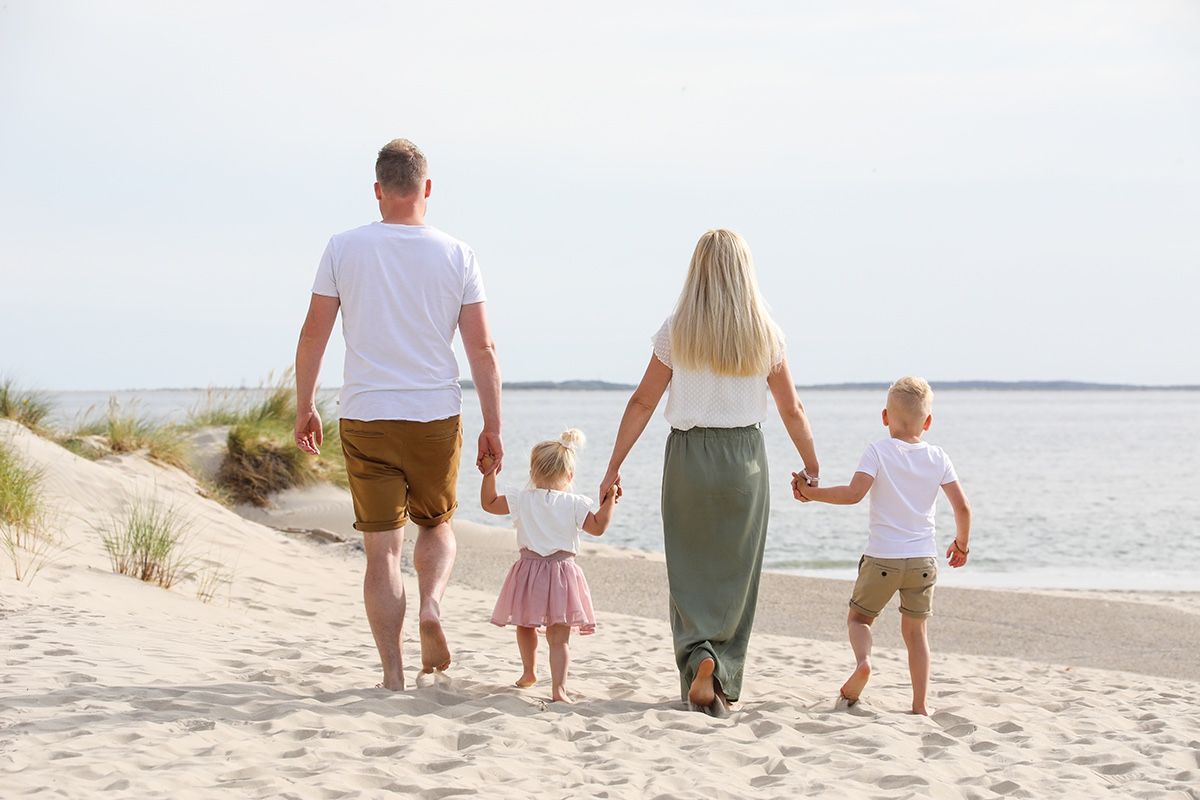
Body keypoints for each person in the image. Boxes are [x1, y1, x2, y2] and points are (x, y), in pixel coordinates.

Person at [293, 138, 503, 691]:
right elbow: (482, 349)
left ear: (378, 190)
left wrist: (305, 405)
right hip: (434, 413)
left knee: (382, 549)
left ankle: (392, 675)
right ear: (426, 189)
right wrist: (493, 425)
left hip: (366, 415)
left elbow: (314, 334)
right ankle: (431, 603)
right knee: (436, 524)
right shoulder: (459, 254)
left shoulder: (343, 247)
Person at [600, 229, 820, 716]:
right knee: (737, 573)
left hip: (688, 458)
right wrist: (811, 463)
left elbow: (642, 402)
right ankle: (717, 670)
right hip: (744, 458)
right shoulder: (766, 331)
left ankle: (699, 658)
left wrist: (613, 465)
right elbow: (793, 409)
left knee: (688, 569)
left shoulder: (676, 329)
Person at [793, 376, 972, 716]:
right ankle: (920, 706)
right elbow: (962, 507)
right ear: (928, 422)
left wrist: (811, 493)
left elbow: (853, 494)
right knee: (916, 634)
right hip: (923, 560)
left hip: (883, 559)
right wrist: (961, 544)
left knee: (859, 619)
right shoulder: (938, 457)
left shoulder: (877, 450)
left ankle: (864, 663)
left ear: (885, 417)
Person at [481, 429, 618, 703]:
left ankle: (529, 672)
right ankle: (559, 689)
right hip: (562, 574)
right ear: (570, 476)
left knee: (525, 625)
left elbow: (489, 504)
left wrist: (490, 473)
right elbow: (599, 527)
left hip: (528, 570)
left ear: (533, 471)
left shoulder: (521, 498)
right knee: (559, 637)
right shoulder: (575, 503)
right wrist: (610, 499)